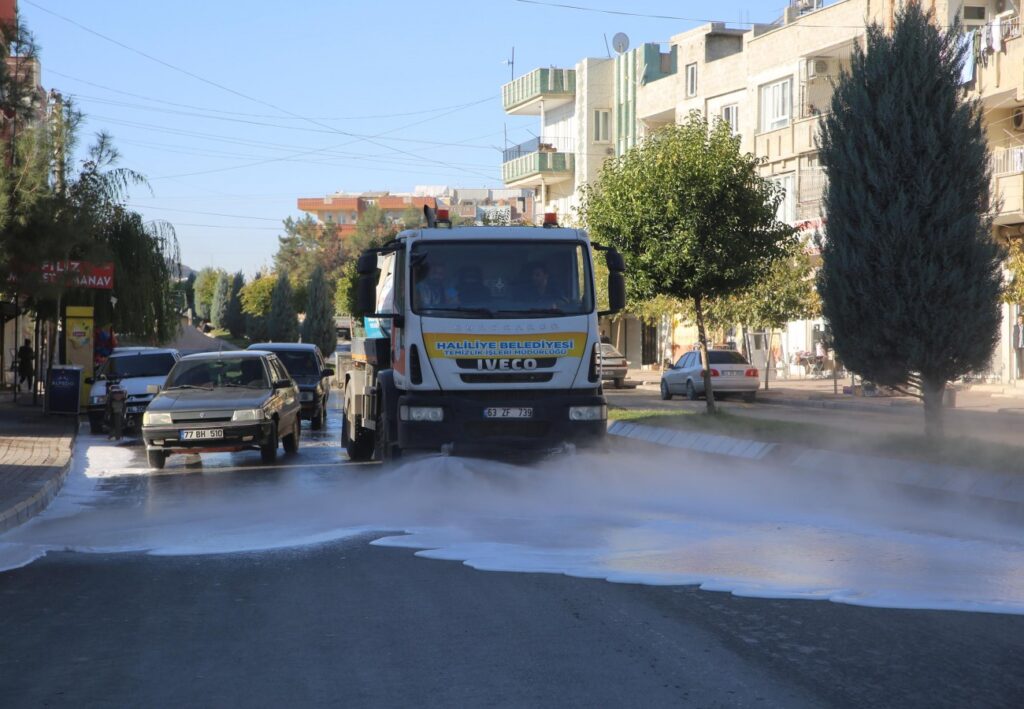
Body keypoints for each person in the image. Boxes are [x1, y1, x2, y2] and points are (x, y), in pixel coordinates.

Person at [1014, 314, 1024, 379]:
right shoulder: (1015, 327)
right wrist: (1014, 346)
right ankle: (1021, 374)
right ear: (1017, 319)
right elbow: (1014, 337)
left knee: (1023, 359)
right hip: (1017, 346)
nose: (1020, 320)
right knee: (1019, 360)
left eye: (1021, 319)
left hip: (1023, 346)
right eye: (1019, 319)